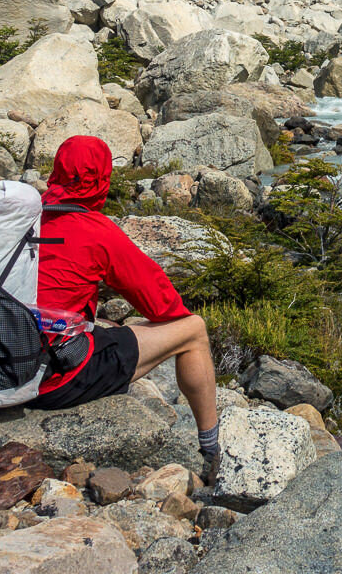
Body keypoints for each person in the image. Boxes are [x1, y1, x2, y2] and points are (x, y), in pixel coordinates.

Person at [29, 135, 219, 478]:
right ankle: (211, 449)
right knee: (193, 330)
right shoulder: (95, 230)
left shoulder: (21, 218)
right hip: (52, 380)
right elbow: (163, 307)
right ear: (102, 180)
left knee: (108, 331)